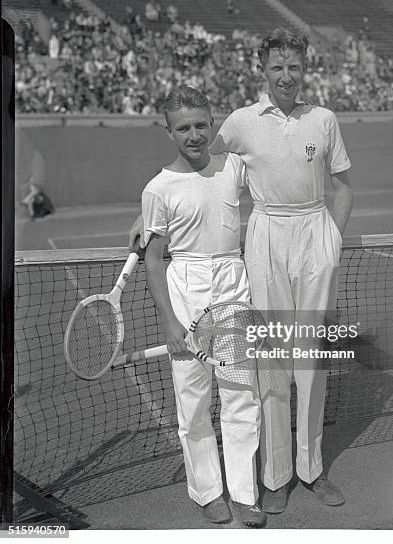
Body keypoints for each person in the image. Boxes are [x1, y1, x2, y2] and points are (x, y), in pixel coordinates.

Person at [130, 28, 353, 514]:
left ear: (304, 68)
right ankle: (274, 477)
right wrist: (147, 219)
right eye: (277, 67)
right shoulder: (239, 122)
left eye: (294, 66)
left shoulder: (325, 119)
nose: (286, 76)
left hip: (314, 233)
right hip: (265, 238)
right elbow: (192, 160)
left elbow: (342, 186)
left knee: (310, 360)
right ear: (263, 69)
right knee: (271, 362)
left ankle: (310, 470)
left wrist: (331, 240)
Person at [141, 86, 265, 528]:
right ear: (168, 131)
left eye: (201, 125)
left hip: (233, 286)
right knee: (193, 405)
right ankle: (209, 492)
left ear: (212, 124)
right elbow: (154, 260)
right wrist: (170, 321)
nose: (194, 135)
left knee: (240, 397)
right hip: (185, 291)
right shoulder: (158, 188)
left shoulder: (232, 166)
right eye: (183, 127)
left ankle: (246, 493)